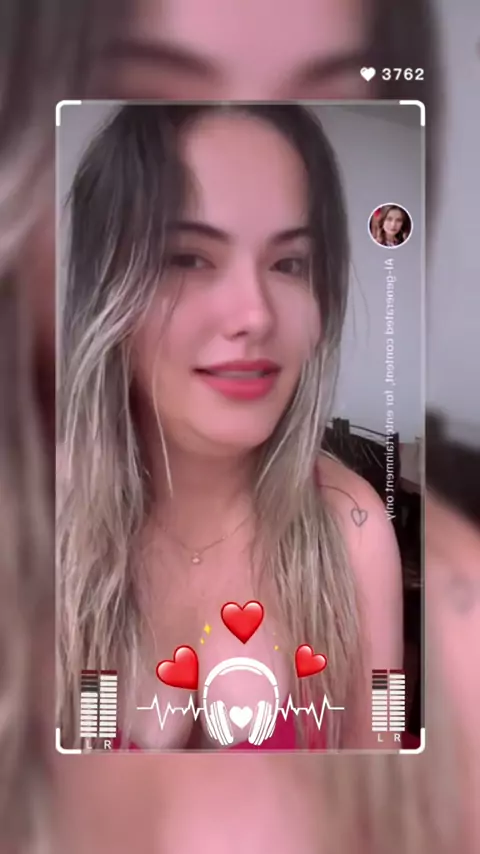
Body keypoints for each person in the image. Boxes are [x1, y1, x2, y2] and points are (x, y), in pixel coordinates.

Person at [57, 103, 403, 753]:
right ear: (106, 290)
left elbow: (384, 765)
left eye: (290, 264)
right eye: (188, 257)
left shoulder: (357, 532)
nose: (255, 315)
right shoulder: (34, 518)